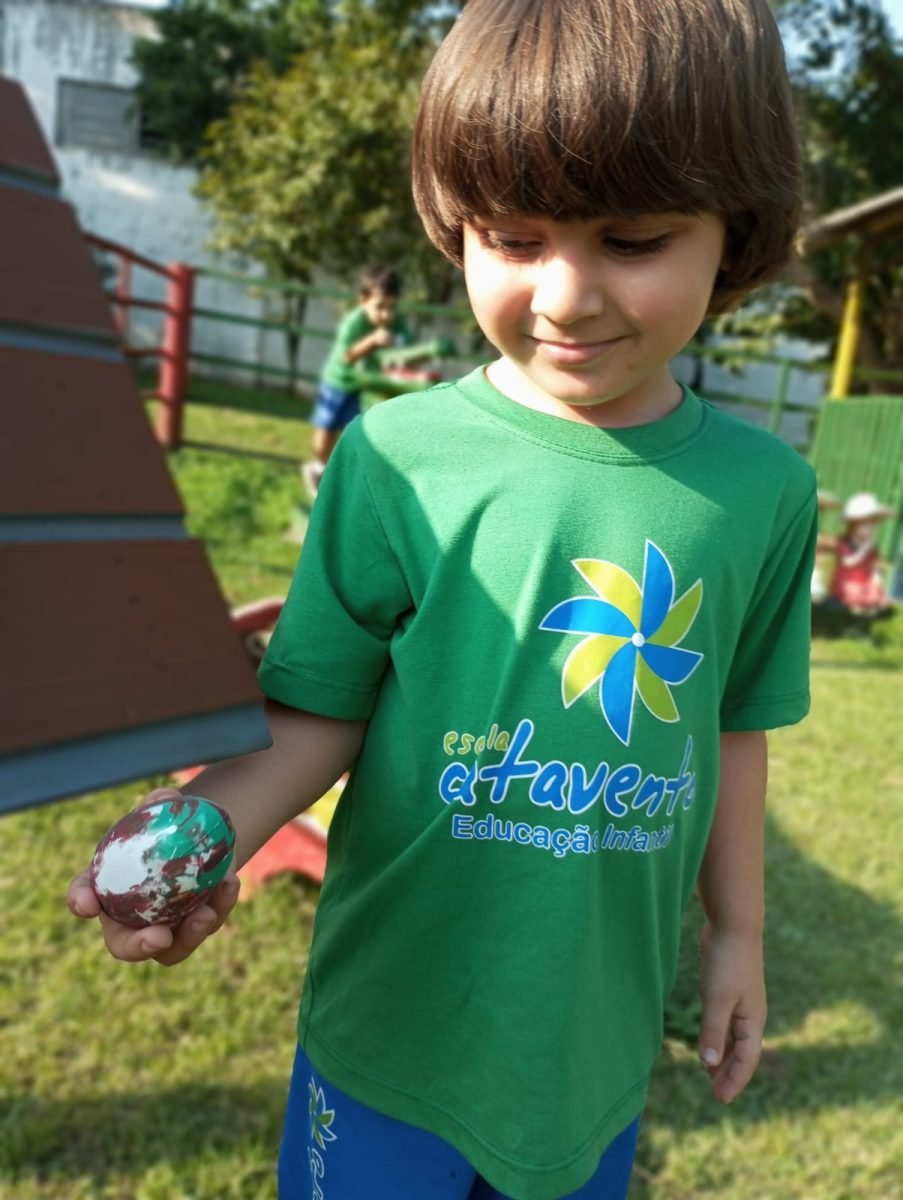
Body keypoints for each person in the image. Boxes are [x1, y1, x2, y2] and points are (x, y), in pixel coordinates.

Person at [67, 2, 819, 1197]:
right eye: (513, 239)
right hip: (386, 1036)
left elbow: (732, 728)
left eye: (633, 239)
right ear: (454, 224)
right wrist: (208, 828)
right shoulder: (393, 458)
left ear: (737, 231)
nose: (565, 296)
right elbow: (317, 710)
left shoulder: (766, 492)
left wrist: (738, 936)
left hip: (590, 1055)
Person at [301, 265, 413, 497]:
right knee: (327, 427)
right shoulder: (354, 323)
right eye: (380, 307)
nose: (386, 315)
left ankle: (347, 476)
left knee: (356, 431)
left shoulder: (396, 324)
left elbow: (406, 346)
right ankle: (317, 467)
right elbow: (348, 356)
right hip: (339, 382)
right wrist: (372, 341)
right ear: (363, 301)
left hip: (366, 385)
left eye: (391, 308)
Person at [829, 491, 896, 614]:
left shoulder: (872, 548)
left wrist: (876, 578)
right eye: (866, 525)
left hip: (864, 583)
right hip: (847, 583)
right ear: (854, 525)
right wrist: (864, 549)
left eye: (873, 525)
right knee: (853, 592)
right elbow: (848, 563)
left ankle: (867, 604)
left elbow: (874, 567)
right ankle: (855, 605)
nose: (871, 529)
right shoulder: (845, 542)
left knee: (875, 594)